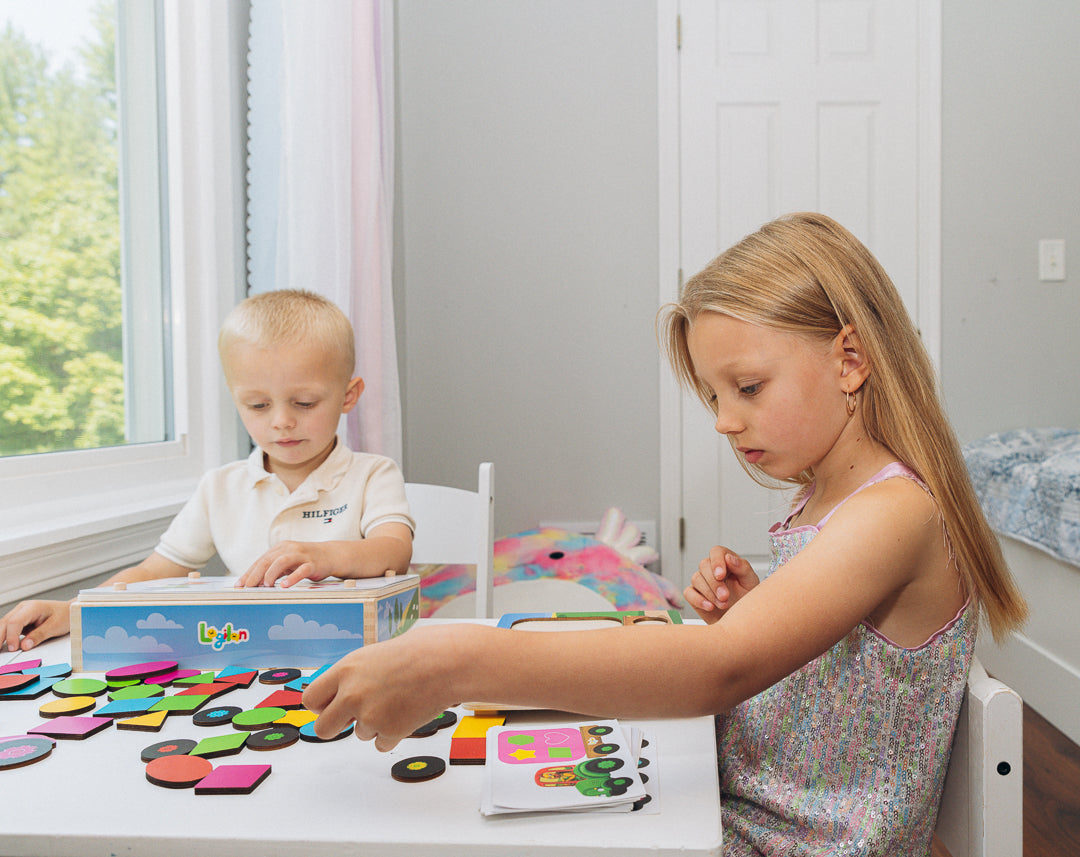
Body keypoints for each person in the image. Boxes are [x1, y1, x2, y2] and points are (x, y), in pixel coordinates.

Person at [300, 214, 1026, 855]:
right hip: (747, 811)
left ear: (850, 359)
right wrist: (756, 608)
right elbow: (832, 681)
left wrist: (457, 657)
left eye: (747, 387)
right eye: (714, 395)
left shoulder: (893, 511)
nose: (723, 419)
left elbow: (720, 670)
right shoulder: (828, 499)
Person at [1, 289, 414, 653]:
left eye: (304, 402)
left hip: (360, 661)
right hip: (253, 662)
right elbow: (153, 572)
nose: (281, 421)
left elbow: (393, 550)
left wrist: (322, 555)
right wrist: (73, 609)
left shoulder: (373, 473)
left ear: (348, 395)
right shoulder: (220, 487)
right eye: (257, 405)